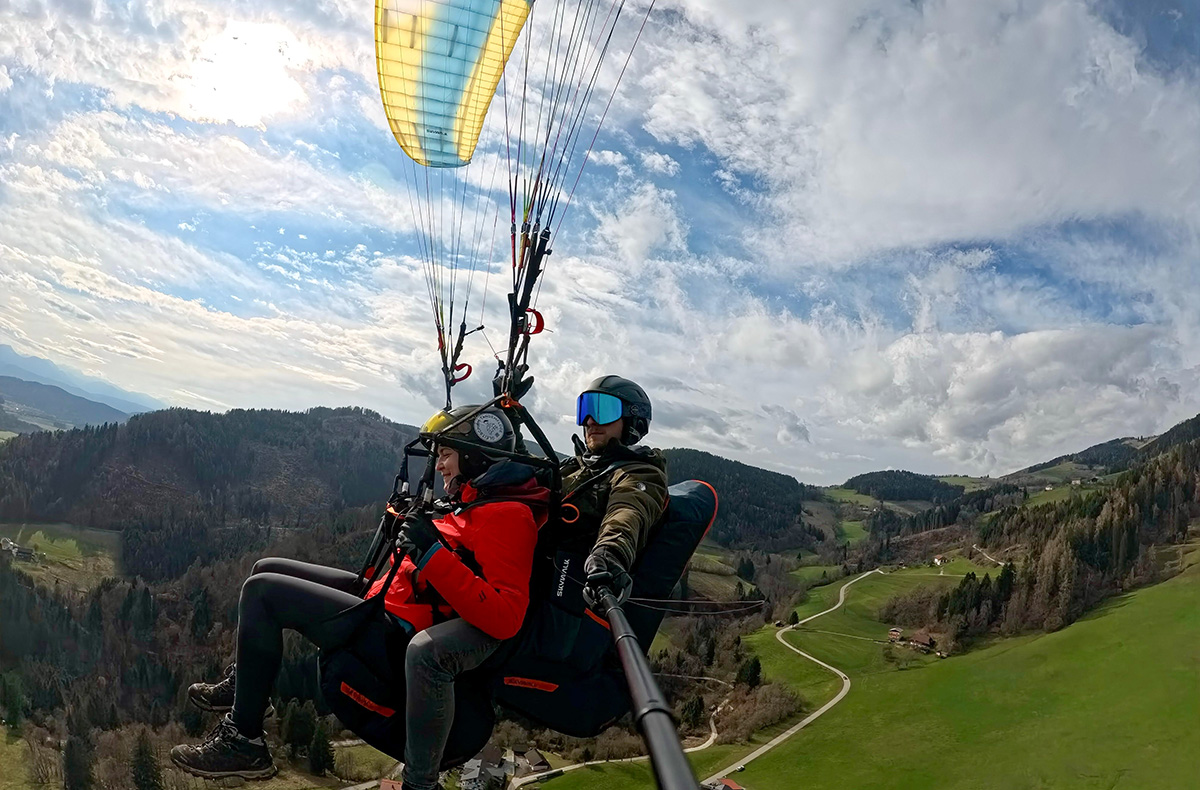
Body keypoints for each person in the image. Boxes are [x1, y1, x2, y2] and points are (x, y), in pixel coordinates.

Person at [170, 405, 548, 790]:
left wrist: (431, 552)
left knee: (262, 594)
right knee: (263, 567)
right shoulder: (476, 500)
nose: (440, 466)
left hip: (392, 631)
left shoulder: (508, 515)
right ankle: (247, 689)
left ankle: (244, 740)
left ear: (474, 456)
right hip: (385, 601)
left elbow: (506, 616)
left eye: (446, 455)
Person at [560, 375, 669, 607]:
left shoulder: (639, 472)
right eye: (585, 410)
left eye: (603, 410)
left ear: (632, 421)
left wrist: (609, 553)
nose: (590, 421)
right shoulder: (574, 465)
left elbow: (628, 509)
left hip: (565, 591)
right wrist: (509, 418)